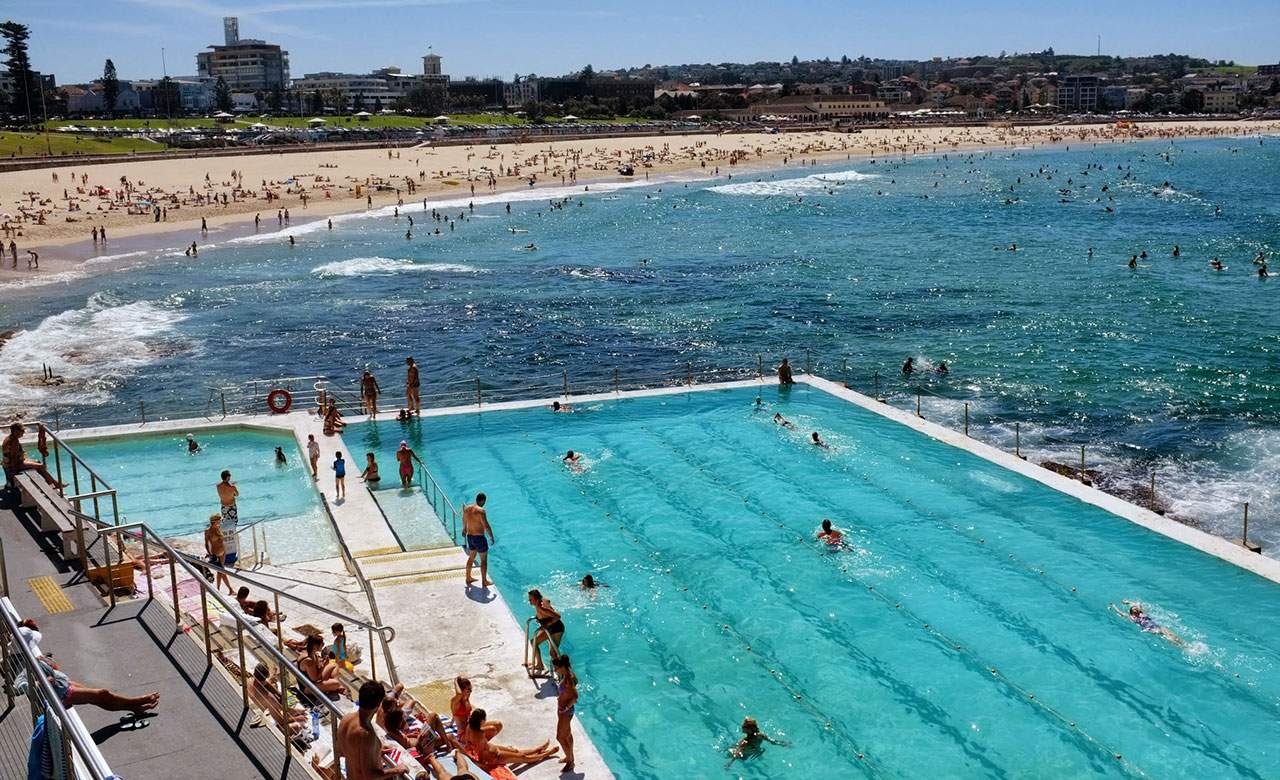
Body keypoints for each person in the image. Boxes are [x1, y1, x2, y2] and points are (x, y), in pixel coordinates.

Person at [332, 680, 411, 780]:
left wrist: (374, 752)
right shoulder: (366, 734)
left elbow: (341, 751)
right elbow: (369, 776)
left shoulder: (345, 719)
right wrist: (398, 770)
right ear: (379, 705)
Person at [462, 708, 557, 775]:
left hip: (491, 748)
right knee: (523, 758)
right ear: (481, 721)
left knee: (516, 751)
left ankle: (538, 749)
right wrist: (483, 765)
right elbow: (481, 755)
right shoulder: (480, 734)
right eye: (484, 719)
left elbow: (468, 743)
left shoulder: (469, 727)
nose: (486, 720)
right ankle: (546, 754)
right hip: (494, 756)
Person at [2, 423, 59, 487]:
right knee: (41, 466)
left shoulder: (9, 438)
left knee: (37, 462)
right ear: (16, 431)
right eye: (22, 431)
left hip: (12, 463)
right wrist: (14, 470)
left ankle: (52, 482)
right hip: (14, 464)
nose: (23, 433)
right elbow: (13, 457)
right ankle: (53, 483)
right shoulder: (14, 441)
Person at [1109, 600, 1185, 646]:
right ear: (1132, 612)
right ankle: (1180, 646)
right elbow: (1121, 613)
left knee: (1168, 631)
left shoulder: (1143, 613)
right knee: (1165, 634)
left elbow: (1138, 604)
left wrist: (1128, 602)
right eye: (1134, 609)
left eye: (1136, 609)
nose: (1136, 609)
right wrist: (1113, 606)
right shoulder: (1132, 617)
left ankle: (1183, 643)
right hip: (1150, 629)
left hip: (1156, 626)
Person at [526, 589, 565, 675]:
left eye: (530, 600)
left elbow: (558, 616)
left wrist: (547, 623)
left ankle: (563, 674)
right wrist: (539, 617)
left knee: (553, 653)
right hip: (548, 628)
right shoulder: (540, 602)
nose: (529, 602)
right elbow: (547, 600)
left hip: (556, 629)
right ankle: (540, 664)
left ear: (536, 599)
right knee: (534, 642)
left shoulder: (542, 607)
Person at [552, 654, 578, 772]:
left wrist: (566, 707)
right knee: (567, 735)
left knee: (560, 737)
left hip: (565, 712)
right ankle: (569, 757)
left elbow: (575, 697)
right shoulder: (568, 675)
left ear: (562, 666)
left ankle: (570, 762)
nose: (555, 670)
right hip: (563, 711)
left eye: (556, 667)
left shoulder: (568, 679)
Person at [463, 493, 495, 587]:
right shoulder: (481, 511)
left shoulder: (467, 508)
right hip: (479, 538)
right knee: (483, 560)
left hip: (470, 536)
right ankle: (484, 581)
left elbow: (464, 519)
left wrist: (464, 529)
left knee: (471, 557)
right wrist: (491, 536)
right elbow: (486, 525)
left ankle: (468, 577)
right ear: (483, 500)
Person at [204, 514, 234, 596]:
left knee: (221, 571)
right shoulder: (207, 531)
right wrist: (209, 553)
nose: (220, 522)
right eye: (219, 520)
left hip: (223, 552)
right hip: (216, 553)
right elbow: (206, 544)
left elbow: (221, 541)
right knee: (221, 571)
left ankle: (220, 589)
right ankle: (223, 589)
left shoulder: (218, 528)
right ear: (215, 521)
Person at [216, 470, 240, 566]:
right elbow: (236, 494)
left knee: (225, 524)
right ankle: (232, 541)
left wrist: (230, 485)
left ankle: (226, 541)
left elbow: (223, 492)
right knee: (233, 524)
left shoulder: (218, 486)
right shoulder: (232, 487)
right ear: (227, 478)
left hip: (223, 507)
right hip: (231, 507)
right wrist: (233, 486)